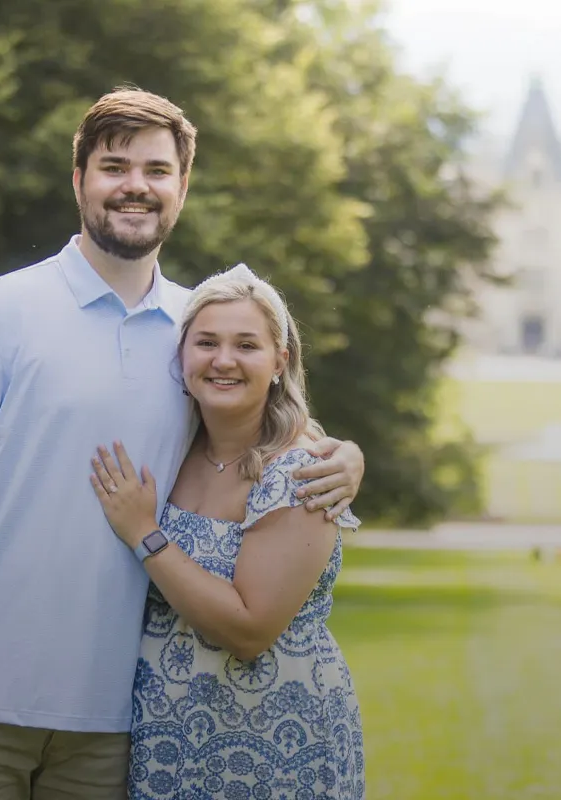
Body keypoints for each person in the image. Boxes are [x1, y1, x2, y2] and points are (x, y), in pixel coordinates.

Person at [0, 87, 365, 800]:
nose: (136, 186)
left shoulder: (195, 332)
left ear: (182, 187)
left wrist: (349, 458)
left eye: (156, 169)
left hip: (121, 720)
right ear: (80, 179)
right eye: (115, 167)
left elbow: (267, 438)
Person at [90, 262, 364, 800]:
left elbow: (248, 630)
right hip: (168, 733)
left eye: (246, 345)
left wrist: (145, 534)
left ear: (279, 361)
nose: (223, 361)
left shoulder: (300, 474)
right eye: (206, 342)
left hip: (276, 739)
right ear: (182, 354)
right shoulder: (171, 451)